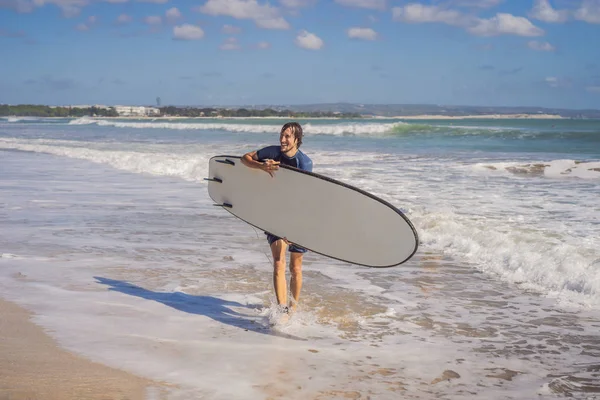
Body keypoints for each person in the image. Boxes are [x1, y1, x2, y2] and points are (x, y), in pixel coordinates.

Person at [241, 122, 313, 315]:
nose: (282, 139)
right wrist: (261, 166)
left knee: (295, 267)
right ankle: (281, 310)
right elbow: (245, 158)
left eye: (287, 136)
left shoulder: (304, 163)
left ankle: (293, 309)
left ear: (297, 139)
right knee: (279, 262)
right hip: (275, 214)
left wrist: (293, 227)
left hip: (299, 217)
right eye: (281, 135)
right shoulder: (272, 152)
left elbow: (303, 195)